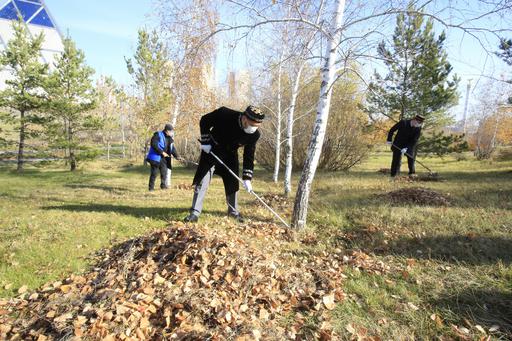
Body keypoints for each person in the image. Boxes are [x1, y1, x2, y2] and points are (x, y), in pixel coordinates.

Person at [183, 105, 265, 223]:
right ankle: (194, 213)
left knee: (233, 183)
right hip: (211, 150)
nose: (253, 128)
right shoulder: (224, 114)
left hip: (230, 155)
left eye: (257, 126)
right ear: (244, 118)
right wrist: (206, 141)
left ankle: (233, 213)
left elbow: (249, 155)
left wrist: (247, 178)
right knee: (202, 181)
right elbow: (204, 120)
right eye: (252, 125)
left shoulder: (254, 135)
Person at [146, 123, 180, 191]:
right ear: (167, 131)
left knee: (164, 172)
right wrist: (162, 152)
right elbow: (154, 144)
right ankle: (151, 188)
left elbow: (172, 148)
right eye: (171, 131)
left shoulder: (169, 138)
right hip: (155, 157)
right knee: (154, 173)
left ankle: (163, 186)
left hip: (163, 159)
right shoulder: (157, 135)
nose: (172, 133)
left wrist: (177, 156)